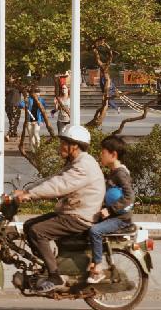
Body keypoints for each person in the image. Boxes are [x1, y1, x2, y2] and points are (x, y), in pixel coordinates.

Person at [14, 125, 105, 293]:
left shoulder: (83, 166)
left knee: (37, 231)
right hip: (72, 211)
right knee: (28, 225)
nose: (60, 146)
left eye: (63, 143)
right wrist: (27, 191)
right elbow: (53, 179)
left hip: (79, 216)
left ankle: (54, 275)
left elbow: (58, 186)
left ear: (74, 145)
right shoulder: (77, 162)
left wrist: (31, 195)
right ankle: (46, 267)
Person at [86, 135, 135, 284]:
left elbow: (130, 196)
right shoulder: (114, 171)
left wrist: (111, 210)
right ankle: (91, 261)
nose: (100, 154)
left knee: (95, 231)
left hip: (120, 219)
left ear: (113, 155)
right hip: (114, 215)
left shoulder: (120, 173)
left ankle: (98, 267)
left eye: (103, 152)